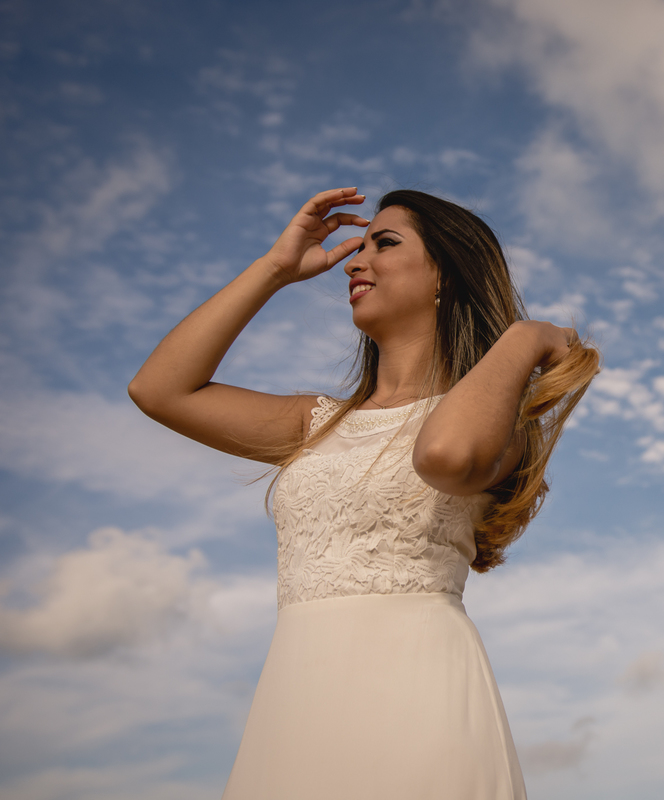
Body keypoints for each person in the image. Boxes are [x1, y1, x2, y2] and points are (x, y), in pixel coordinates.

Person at [129, 187, 600, 799]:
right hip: (298, 700)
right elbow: (158, 390)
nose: (354, 260)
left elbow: (443, 455)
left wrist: (523, 338)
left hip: (419, 693)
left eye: (386, 243)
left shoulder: (493, 422)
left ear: (445, 277)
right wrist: (275, 269)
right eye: (361, 244)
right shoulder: (316, 423)